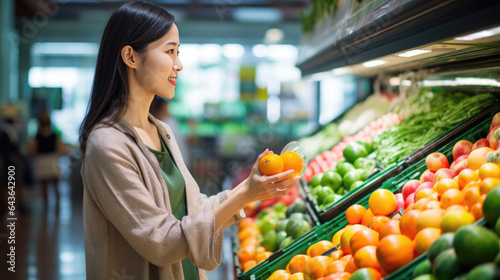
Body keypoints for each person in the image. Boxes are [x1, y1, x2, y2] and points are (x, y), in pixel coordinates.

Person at [78, 2, 300, 279]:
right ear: (131, 57)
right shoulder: (107, 145)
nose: (179, 65)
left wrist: (249, 189)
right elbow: (161, 243)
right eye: (170, 51)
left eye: (178, 52)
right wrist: (245, 195)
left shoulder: (161, 131)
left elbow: (193, 211)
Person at [27, 111, 70, 210]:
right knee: (55, 186)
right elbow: (61, 148)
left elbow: (31, 150)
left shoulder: (37, 136)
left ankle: (46, 207)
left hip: (42, 161)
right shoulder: (54, 135)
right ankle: (57, 207)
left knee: (44, 187)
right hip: (53, 160)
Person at [149, 96, 190, 168]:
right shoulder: (157, 126)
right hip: (171, 166)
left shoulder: (170, 122)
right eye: (165, 107)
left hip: (180, 163)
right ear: (160, 108)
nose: (167, 110)